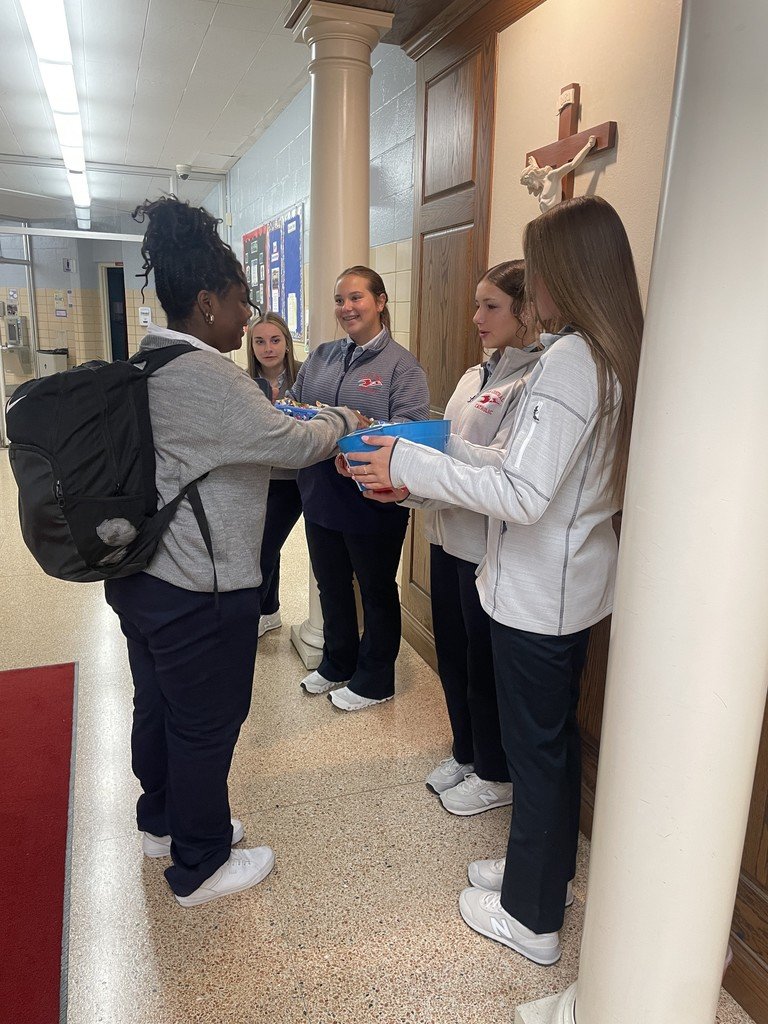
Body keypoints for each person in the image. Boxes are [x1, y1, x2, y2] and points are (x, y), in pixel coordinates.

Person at [344, 196, 643, 964]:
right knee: (550, 746)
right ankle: (540, 872)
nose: (533, 289)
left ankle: (532, 918)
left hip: (540, 597)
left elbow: (523, 495)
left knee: (538, 753)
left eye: (538, 274)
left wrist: (410, 464)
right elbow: (519, 466)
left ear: (566, 275)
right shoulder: (602, 351)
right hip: (566, 588)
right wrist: (437, 461)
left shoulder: (572, 362)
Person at [104, 197, 360, 908]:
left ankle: (163, 821)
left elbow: (234, 449)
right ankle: (202, 863)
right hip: (199, 588)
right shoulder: (210, 375)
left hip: (142, 580)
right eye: (243, 302)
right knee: (206, 724)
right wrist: (343, 419)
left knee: (157, 706)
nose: (249, 318)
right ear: (209, 301)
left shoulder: (149, 361)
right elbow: (290, 441)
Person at [410, 261, 540, 815]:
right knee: (456, 657)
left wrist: (424, 467)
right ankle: (466, 752)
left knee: (483, 665)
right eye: (477, 305)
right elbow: (447, 454)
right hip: (445, 532)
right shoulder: (472, 376)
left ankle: (495, 772)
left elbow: (500, 471)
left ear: (525, 310)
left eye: (491, 306)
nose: (477, 317)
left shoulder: (531, 382)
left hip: (486, 547)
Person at [289, 265, 430, 711]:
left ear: (380, 302)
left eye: (356, 298)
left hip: (373, 499)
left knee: (376, 588)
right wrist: (297, 413)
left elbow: (411, 427)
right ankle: (337, 662)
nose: (346, 308)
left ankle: (375, 679)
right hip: (319, 492)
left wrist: (362, 429)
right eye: (339, 300)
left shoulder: (402, 366)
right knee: (330, 585)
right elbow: (295, 401)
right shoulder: (322, 355)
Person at [247, 312, 303, 638]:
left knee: (262, 549)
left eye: (275, 340)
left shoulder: (302, 378)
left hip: (291, 478)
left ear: (286, 342)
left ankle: (248, 616)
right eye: (260, 341)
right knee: (267, 545)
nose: (268, 348)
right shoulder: (245, 383)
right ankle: (270, 611)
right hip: (256, 477)